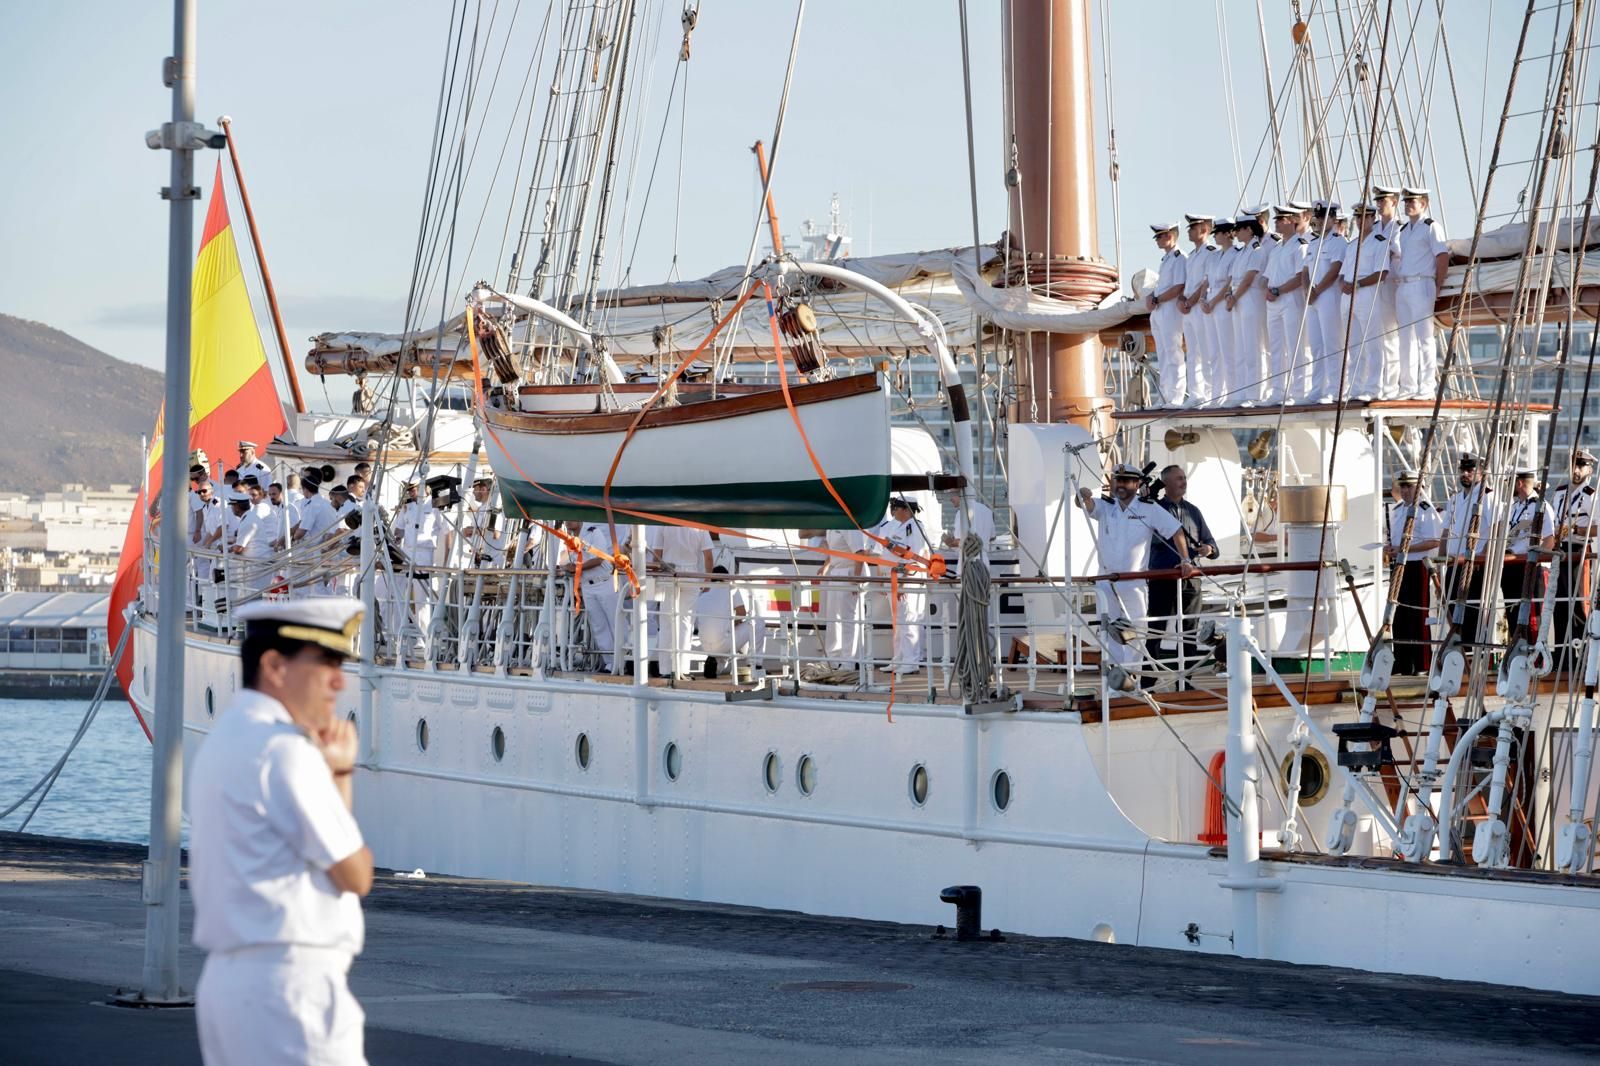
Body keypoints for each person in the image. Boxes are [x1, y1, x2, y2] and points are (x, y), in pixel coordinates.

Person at [189, 597, 373, 1066]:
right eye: (326, 662)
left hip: (234, 983)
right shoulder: (284, 751)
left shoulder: (228, 739)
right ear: (274, 665)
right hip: (291, 989)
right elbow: (355, 873)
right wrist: (341, 775)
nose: (339, 680)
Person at [1076, 464, 1197, 671]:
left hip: (1133, 583)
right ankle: (1114, 685)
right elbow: (1085, 505)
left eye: (1125, 481)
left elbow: (1176, 530)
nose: (1120, 485)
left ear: (1137, 483)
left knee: (1137, 633)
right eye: (1117, 480)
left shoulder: (1148, 509)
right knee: (1109, 633)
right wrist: (1083, 496)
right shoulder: (1106, 506)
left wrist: (1185, 560)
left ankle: (1133, 680)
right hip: (1105, 583)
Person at [1146, 466, 1218, 674]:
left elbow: (1212, 545)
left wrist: (1208, 549)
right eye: (1178, 479)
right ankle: (1149, 679)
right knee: (1156, 630)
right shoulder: (1153, 510)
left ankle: (1185, 681)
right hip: (1163, 577)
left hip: (1191, 580)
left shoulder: (1194, 512)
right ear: (1165, 484)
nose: (1183, 482)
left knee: (1189, 631)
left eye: (1184, 478)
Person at [1384, 470, 1443, 675]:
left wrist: (1405, 548)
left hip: (1418, 565)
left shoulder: (1425, 510)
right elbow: (1396, 539)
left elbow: (1434, 541)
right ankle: (1402, 661)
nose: (1406, 490)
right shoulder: (1398, 509)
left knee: (1417, 614)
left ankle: (1421, 663)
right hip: (1400, 564)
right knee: (1398, 614)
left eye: (1409, 486)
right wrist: (1390, 548)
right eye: (1403, 486)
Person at [1396, 187, 1450, 399]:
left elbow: (1442, 256)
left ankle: (1426, 386)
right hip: (1404, 285)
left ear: (1424, 204)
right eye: (1406, 202)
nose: (1408, 205)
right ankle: (1408, 386)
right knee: (1405, 339)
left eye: (1413, 201)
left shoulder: (1431, 227)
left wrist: (1438, 285)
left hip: (1422, 284)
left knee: (1424, 338)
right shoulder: (1403, 231)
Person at [872, 497, 935, 674]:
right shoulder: (892, 526)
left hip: (908, 581)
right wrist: (883, 578)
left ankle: (911, 661)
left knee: (909, 620)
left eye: (896, 508)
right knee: (898, 623)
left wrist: (904, 582)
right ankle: (898, 659)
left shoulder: (916, 528)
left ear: (906, 510)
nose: (893, 511)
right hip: (892, 579)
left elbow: (914, 557)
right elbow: (881, 553)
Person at [1442, 453, 1499, 646]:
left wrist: (1484, 557)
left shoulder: (1488, 497)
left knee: (1473, 610)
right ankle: (1458, 648)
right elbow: (1445, 532)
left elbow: (1496, 528)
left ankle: (1472, 651)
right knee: (1452, 607)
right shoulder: (1455, 499)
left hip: (1476, 564)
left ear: (1482, 473)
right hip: (1453, 563)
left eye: (1470, 470)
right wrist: (1442, 560)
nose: (1465, 474)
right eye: (1463, 470)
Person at [1264, 203, 1314, 403]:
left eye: (1281, 219)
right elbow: (1269, 275)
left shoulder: (1300, 245)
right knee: (1276, 348)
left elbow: (1299, 277)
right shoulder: (1277, 249)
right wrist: (1270, 290)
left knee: (1296, 347)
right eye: (1276, 219)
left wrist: (1278, 290)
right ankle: (1278, 391)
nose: (1276, 222)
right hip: (1273, 302)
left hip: (1290, 299)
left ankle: (1299, 392)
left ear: (1292, 222)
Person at [1550, 450, 1598, 655]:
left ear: (1590, 469)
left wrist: (1575, 529)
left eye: (1581, 466)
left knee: (1578, 601)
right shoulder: (1560, 492)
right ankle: (1561, 650)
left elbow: (1597, 528)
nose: (1576, 470)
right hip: (1560, 550)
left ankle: (1581, 651)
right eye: (1574, 465)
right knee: (1559, 602)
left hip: (1580, 551)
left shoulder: (1591, 496)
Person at [651, 523, 714, 677]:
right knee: (686, 623)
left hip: (668, 573)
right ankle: (682, 669)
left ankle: (665, 670)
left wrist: (656, 578)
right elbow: (708, 557)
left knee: (666, 622)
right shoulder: (699, 525)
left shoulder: (663, 524)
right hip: (691, 575)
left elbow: (656, 556)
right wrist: (708, 580)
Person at [1304, 202, 1349, 403]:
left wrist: (1317, 290)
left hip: (1328, 294)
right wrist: (1308, 291)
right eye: (1318, 218)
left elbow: (1335, 269)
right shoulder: (1313, 243)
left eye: (1325, 218)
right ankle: (1318, 388)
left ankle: (1336, 388)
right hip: (1313, 297)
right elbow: (1305, 270)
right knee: (1316, 345)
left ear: (1333, 219)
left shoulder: (1338, 242)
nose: (1321, 221)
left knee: (1332, 343)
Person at [1504, 468, 1555, 640]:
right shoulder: (1513, 507)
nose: (1507, 486)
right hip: (1510, 567)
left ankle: (1534, 658)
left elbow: (1549, 540)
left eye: (1509, 482)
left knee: (1532, 618)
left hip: (1529, 567)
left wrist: (1535, 563)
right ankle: (1516, 654)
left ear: (1519, 483)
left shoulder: (1541, 506)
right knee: (1513, 614)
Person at [1226, 216, 1270, 407]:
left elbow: (1249, 277)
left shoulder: (1256, 251)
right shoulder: (1242, 252)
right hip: (1238, 298)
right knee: (1241, 347)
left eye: (1240, 229)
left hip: (1250, 297)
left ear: (1250, 230)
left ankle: (1255, 392)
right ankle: (1242, 390)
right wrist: (1230, 295)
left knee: (1253, 347)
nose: (1236, 232)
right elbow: (1233, 278)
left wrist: (1234, 296)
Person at [1146, 222, 1189, 406]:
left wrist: (1157, 299)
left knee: (1173, 353)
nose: (1157, 240)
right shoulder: (1166, 259)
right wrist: (1152, 296)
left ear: (1170, 235)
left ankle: (1176, 396)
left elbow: (1179, 286)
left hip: (1171, 310)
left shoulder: (1180, 258)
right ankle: (1165, 395)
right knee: (1163, 354)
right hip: (1160, 310)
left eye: (1160, 236)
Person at [1178, 213, 1217, 407]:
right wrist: (1182, 300)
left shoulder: (1211, 252)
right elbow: (1187, 282)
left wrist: (1191, 301)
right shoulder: (1191, 256)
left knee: (1205, 350)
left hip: (1200, 306)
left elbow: (1206, 281)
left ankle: (1209, 393)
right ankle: (1195, 393)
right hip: (1188, 309)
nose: (1189, 231)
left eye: (1193, 228)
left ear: (1204, 230)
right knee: (1192, 352)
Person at [1201, 216, 1239, 405]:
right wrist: (1202, 299)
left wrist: (1213, 301)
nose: (1215, 237)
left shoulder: (1236, 254)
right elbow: (1206, 280)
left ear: (1227, 234)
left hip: (1222, 303)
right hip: (1209, 302)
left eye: (1218, 234)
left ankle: (1232, 393)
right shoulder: (1214, 256)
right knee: (1214, 352)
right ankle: (1217, 394)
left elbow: (1229, 282)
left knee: (1228, 350)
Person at [821, 526, 868, 669]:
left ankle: (849, 661)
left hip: (850, 572)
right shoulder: (832, 526)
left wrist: (856, 580)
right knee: (833, 618)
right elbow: (834, 551)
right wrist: (825, 567)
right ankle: (833, 658)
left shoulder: (849, 527)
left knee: (849, 619)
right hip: (836, 572)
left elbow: (860, 554)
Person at [695, 565, 752, 678]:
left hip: (705, 644)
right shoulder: (731, 589)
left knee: (726, 638)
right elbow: (742, 613)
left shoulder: (702, 593)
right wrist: (733, 624)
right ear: (726, 578)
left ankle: (716, 668)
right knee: (757, 623)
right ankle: (755, 665)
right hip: (723, 643)